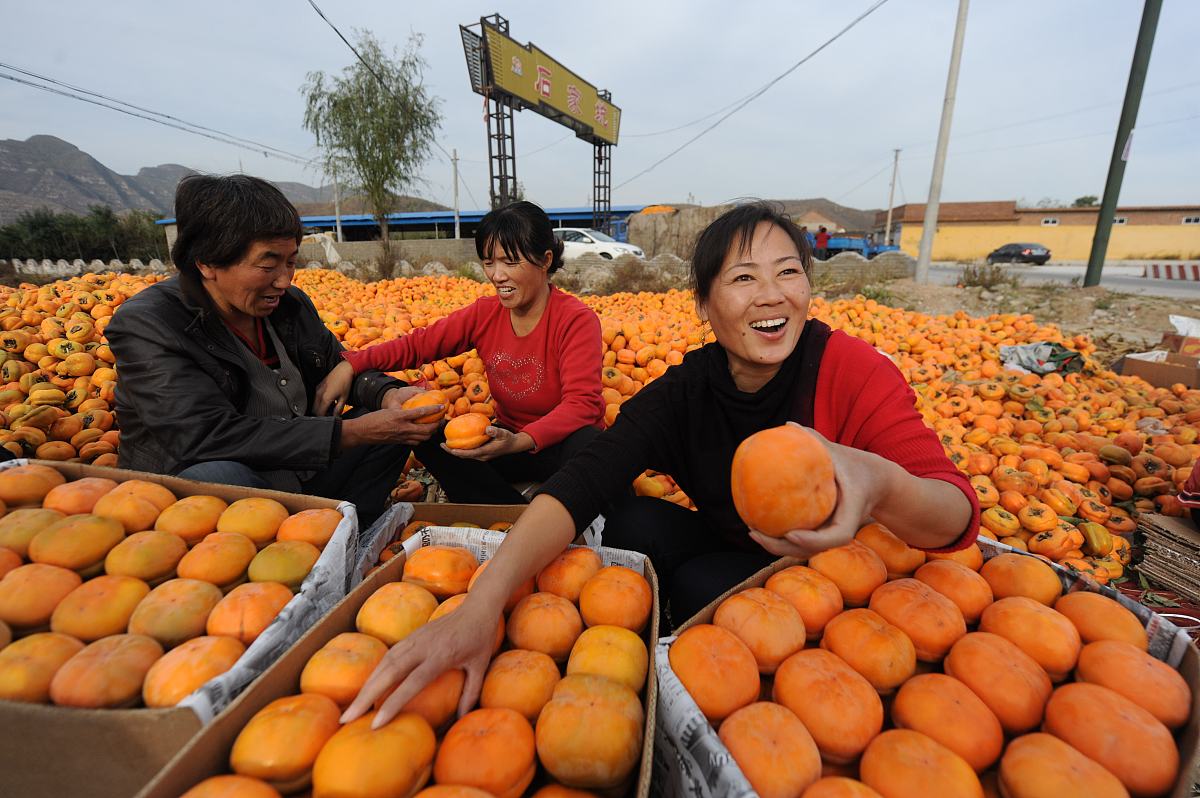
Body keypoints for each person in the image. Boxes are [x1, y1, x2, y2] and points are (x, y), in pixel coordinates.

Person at [341, 201, 980, 728]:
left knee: (710, 593)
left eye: (788, 272)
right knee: (632, 522)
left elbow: (955, 516)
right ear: (702, 304)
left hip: (852, 580)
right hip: (746, 553)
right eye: (743, 278)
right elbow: (582, 484)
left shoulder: (851, 370)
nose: (772, 296)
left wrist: (878, 484)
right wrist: (484, 602)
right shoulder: (685, 392)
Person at [106, 174, 437, 525]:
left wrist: (385, 393)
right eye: (268, 265)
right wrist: (354, 432)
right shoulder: (150, 324)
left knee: (393, 431)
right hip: (216, 498)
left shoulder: (288, 305)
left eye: (291, 262)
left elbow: (335, 365)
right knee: (220, 475)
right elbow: (205, 436)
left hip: (300, 472)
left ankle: (349, 533)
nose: (283, 280)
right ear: (206, 262)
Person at [313, 201, 605, 504]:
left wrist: (519, 442)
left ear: (545, 260)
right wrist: (350, 364)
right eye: (489, 262)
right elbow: (418, 345)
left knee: (591, 443)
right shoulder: (484, 314)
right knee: (425, 433)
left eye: (510, 262)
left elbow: (581, 404)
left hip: (559, 446)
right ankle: (507, 512)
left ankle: (536, 513)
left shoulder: (575, 320)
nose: (497, 275)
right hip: (504, 440)